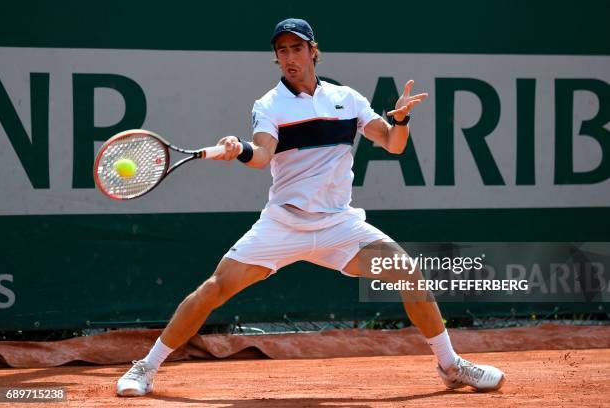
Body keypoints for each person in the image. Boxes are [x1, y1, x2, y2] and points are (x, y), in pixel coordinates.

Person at [116, 17, 505, 397]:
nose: (289, 57)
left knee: (408, 274)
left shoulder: (347, 99)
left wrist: (401, 118)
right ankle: (146, 367)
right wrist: (240, 150)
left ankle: (451, 366)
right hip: (284, 224)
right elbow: (263, 154)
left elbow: (393, 143)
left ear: (312, 51)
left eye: (296, 48)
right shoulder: (269, 105)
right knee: (214, 289)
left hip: (340, 226)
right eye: (281, 50)